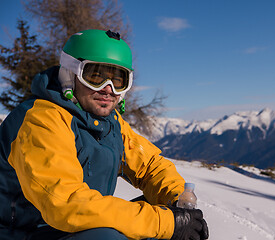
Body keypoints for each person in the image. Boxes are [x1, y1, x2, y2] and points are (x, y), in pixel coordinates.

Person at [0, 29, 209, 240]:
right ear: (69, 74)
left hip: (77, 228)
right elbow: (66, 203)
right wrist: (164, 223)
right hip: (27, 233)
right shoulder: (41, 121)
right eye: (95, 77)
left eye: (118, 81)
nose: (108, 89)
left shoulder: (110, 123)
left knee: (157, 218)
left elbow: (150, 166)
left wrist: (176, 200)